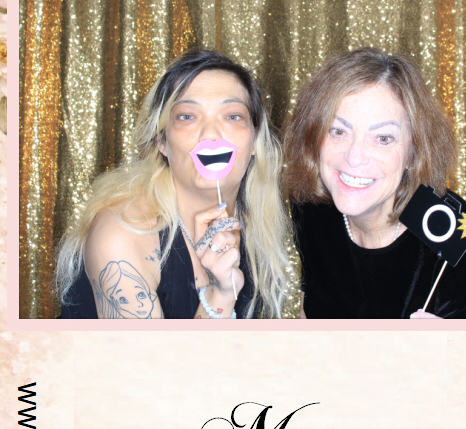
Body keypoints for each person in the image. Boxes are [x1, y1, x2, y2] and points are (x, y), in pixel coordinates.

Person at [57, 49, 294, 320]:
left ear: (254, 142)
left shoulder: (253, 223)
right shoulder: (123, 233)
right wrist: (220, 293)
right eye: (187, 116)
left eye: (232, 116)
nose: (211, 134)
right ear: (162, 142)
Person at [284, 49, 466, 321]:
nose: (354, 157)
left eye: (383, 138)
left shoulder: (453, 231)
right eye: (338, 131)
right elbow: (309, 313)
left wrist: (450, 345)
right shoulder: (309, 205)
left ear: (413, 153)